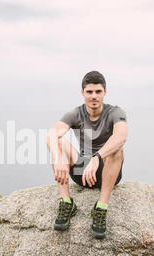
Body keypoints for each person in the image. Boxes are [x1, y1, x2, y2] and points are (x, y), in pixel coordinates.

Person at [46, 71, 128, 239]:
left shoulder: (115, 112)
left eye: (98, 91)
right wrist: (58, 159)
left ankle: (101, 207)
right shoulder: (76, 113)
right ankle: (67, 202)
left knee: (117, 150)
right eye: (89, 91)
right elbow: (51, 134)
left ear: (105, 92)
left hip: (107, 171)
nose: (94, 96)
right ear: (82, 92)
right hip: (82, 173)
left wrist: (96, 158)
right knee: (59, 142)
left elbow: (121, 137)